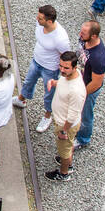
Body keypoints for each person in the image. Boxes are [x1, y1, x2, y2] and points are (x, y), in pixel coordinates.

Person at [12, 3, 71, 128]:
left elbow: (65, 56)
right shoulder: (40, 25)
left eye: (40, 18)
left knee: (49, 94)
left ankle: (47, 116)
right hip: (36, 61)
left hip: (50, 69)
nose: (36, 20)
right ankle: (21, 99)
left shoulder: (61, 38)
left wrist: (63, 75)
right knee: (28, 82)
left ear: (49, 21)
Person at [45, 51, 87, 183]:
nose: (62, 70)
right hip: (62, 122)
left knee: (65, 151)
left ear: (75, 67)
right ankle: (67, 162)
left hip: (65, 126)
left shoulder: (76, 91)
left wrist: (63, 131)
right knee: (67, 148)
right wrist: (54, 82)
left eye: (66, 68)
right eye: (61, 66)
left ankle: (64, 172)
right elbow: (64, 82)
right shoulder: (70, 75)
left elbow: (73, 117)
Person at [74, 20, 105, 149]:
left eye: (84, 33)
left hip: (89, 88)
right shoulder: (84, 40)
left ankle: (83, 139)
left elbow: (96, 82)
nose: (80, 34)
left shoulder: (99, 57)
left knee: (86, 115)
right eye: (81, 31)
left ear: (94, 36)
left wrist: (82, 94)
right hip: (79, 79)